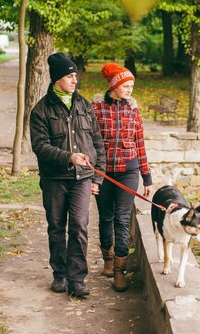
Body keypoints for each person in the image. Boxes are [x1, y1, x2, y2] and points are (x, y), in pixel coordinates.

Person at [30, 52, 106, 298]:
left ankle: (77, 278)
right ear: (57, 79)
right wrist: (68, 156)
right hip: (54, 178)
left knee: (80, 226)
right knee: (56, 227)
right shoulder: (41, 109)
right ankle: (59, 275)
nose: (75, 80)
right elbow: (40, 146)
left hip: (83, 178)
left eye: (76, 76)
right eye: (70, 76)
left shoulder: (84, 106)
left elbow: (97, 143)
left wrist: (97, 178)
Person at [91, 62, 153, 292]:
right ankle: (107, 258)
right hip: (103, 171)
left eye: (132, 86)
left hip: (128, 170)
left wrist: (146, 177)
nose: (130, 90)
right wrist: (91, 175)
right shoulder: (95, 109)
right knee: (105, 216)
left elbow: (140, 143)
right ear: (114, 85)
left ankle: (120, 270)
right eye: (126, 86)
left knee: (123, 218)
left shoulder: (133, 110)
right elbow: (90, 142)